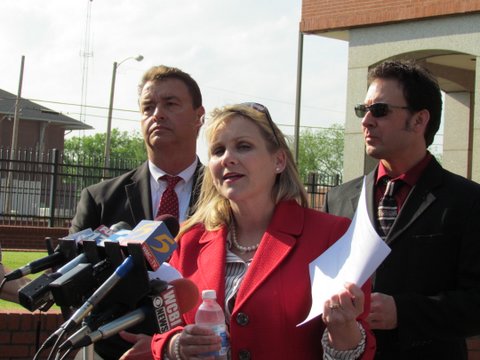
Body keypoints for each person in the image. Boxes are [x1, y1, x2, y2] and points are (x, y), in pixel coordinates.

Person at [151, 103, 376, 359]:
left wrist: (343, 329)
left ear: (278, 160)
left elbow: (358, 347)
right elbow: (165, 330)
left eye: (243, 146)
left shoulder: (332, 237)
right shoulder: (187, 240)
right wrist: (175, 346)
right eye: (218, 150)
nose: (227, 158)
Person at [323, 59, 480, 359]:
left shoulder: (467, 201)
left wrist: (403, 312)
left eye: (379, 110)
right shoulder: (339, 199)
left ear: (419, 120)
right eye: (363, 110)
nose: (366, 121)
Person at [69, 65, 206, 360]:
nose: (157, 114)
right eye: (148, 107)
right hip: (118, 351)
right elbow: (73, 288)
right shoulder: (100, 199)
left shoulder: (225, 196)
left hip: (202, 349)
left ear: (199, 116)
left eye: (170, 104)